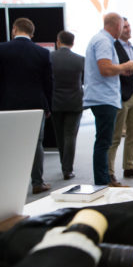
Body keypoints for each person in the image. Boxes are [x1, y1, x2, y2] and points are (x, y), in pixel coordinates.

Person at [83, 13, 133, 186]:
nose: (124, 29)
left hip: (103, 97)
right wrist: (126, 66)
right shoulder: (104, 41)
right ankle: (103, 181)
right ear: (117, 26)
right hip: (103, 98)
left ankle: (105, 178)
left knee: (104, 140)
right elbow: (105, 69)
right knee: (104, 142)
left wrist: (121, 70)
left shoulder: (102, 40)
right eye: (123, 26)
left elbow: (107, 68)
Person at [0, 17, 53, 194]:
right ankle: (37, 182)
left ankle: (9, 183)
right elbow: (48, 83)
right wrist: (48, 106)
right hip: (35, 104)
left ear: (14, 29)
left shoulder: (2, 50)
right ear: (32, 33)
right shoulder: (42, 53)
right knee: (36, 143)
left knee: (8, 143)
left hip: (7, 104)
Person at [107, 18, 133, 185]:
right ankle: (109, 172)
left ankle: (129, 166)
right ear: (118, 29)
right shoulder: (113, 48)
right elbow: (112, 69)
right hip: (121, 95)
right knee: (116, 136)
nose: (128, 29)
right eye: (124, 27)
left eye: (129, 26)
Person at [50, 30, 84, 180]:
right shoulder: (80, 59)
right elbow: (85, 81)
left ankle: (63, 163)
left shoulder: (49, 58)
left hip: (55, 102)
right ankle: (67, 169)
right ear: (73, 43)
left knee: (59, 135)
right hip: (75, 102)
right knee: (70, 135)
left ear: (58, 41)